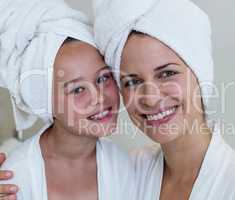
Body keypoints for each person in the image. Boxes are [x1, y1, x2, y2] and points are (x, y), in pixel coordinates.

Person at [92, 0, 235, 199]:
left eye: (167, 73)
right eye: (132, 82)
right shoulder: (130, 173)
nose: (151, 99)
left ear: (200, 74)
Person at [0, 0, 135, 200]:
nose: (99, 97)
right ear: (45, 103)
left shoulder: (124, 167)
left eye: (103, 78)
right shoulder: (14, 180)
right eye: (78, 89)